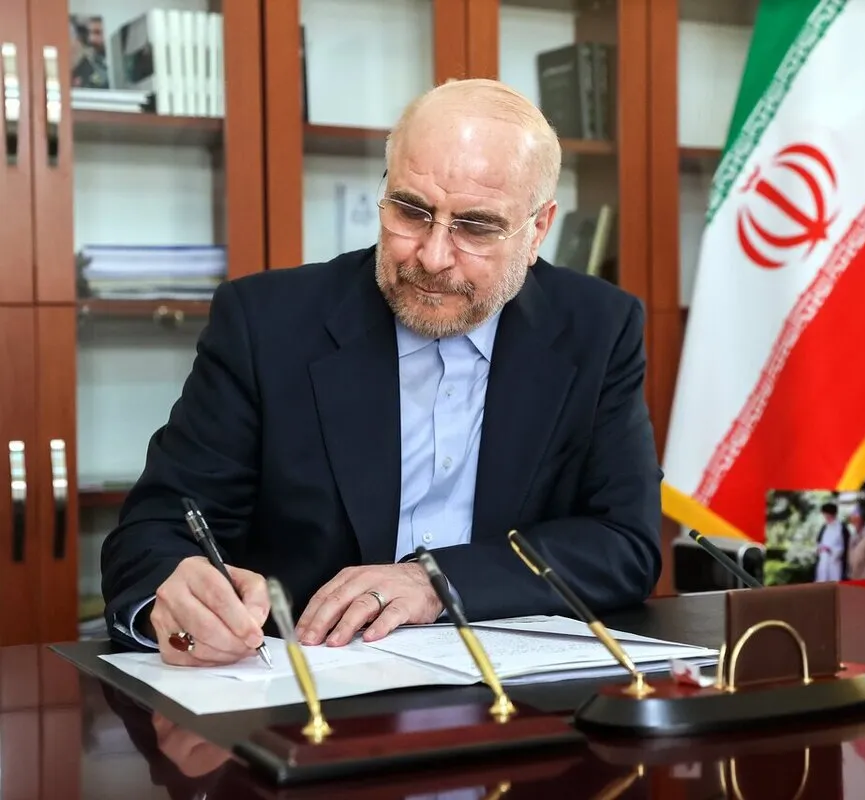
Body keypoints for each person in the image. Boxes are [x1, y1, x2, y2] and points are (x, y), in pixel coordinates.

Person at [100, 78, 663, 666]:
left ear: (537, 229)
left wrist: (437, 581)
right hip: (303, 684)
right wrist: (176, 595)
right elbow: (156, 530)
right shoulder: (266, 323)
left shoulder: (597, 328)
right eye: (411, 211)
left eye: (476, 226)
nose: (433, 257)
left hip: (513, 692)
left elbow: (623, 542)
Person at [813, 503, 844, 582]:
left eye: (828, 515)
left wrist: (830, 550)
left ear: (834, 515)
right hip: (823, 562)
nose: (826, 517)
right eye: (825, 515)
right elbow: (818, 542)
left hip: (835, 564)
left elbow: (844, 548)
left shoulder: (841, 528)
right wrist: (819, 549)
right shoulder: (824, 527)